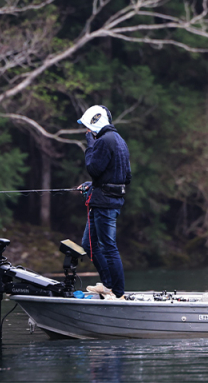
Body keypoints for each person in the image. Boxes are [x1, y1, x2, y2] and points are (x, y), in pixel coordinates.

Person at [77, 105, 131, 300]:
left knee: (108, 246)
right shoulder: (119, 140)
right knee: (89, 244)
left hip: (104, 204)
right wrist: (93, 185)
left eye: (88, 127)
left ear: (95, 123)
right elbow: (126, 176)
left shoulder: (103, 141)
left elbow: (93, 167)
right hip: (107, 200)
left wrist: (90, 144)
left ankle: (117, 292)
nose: (88, 132)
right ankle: (108, 284)